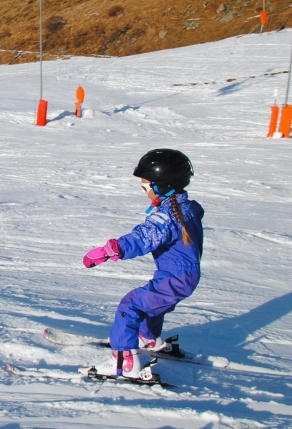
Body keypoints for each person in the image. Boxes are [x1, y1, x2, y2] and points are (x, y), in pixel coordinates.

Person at [83, 149, 204, 379]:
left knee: (131, 306)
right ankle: (148, 338)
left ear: (163, 185)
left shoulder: (167, 218)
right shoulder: (187, 208)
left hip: (175, 277)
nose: (143, 189)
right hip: (180, 276)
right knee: (152, 305)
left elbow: (144, 237)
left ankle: (123, 362)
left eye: (146, 185)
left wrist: (110, 250)